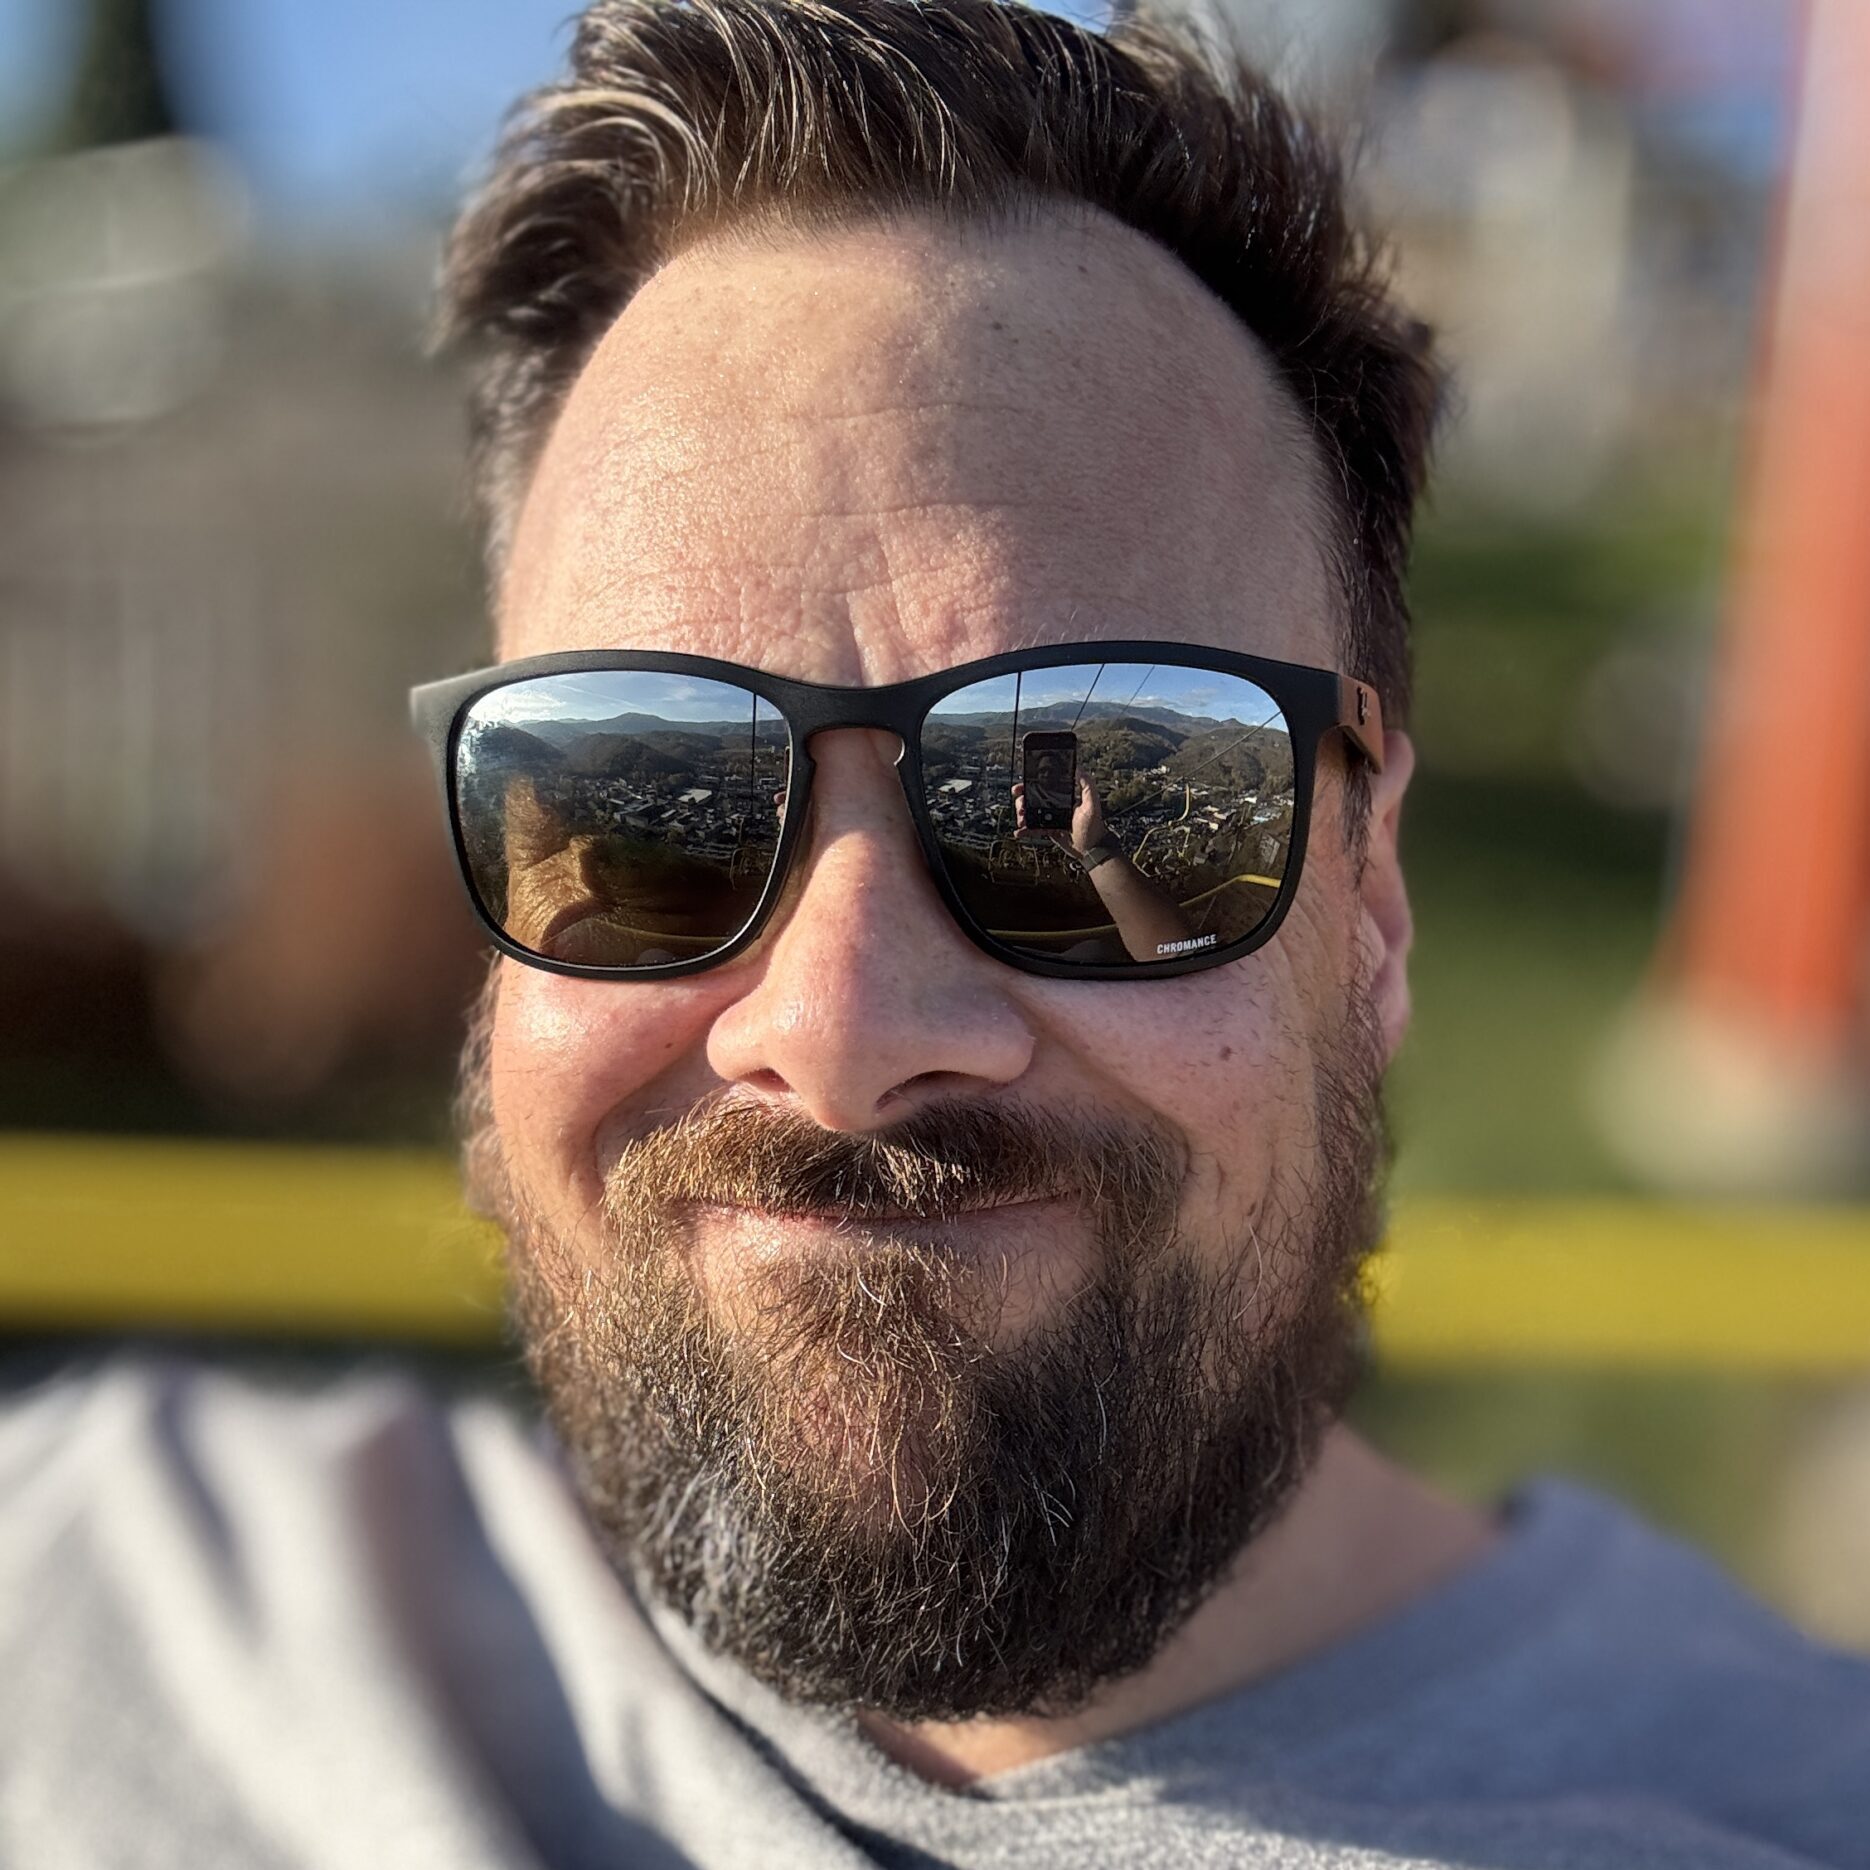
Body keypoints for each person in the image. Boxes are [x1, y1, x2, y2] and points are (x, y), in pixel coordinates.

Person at [4, 2, 1868, 1865]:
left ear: (1366, 904)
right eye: (643, 796)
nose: (839, 1028)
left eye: (1109, 792)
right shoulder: (89, 1593)